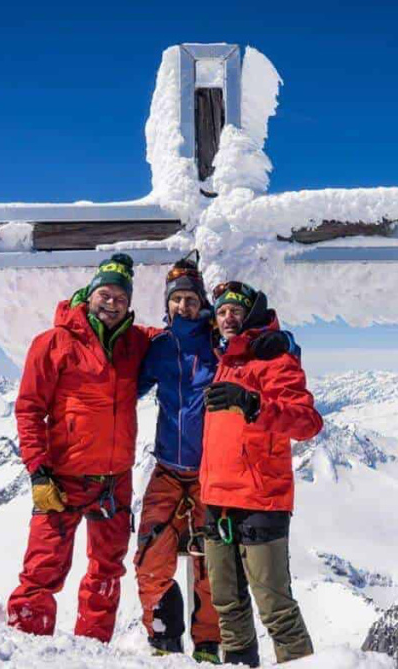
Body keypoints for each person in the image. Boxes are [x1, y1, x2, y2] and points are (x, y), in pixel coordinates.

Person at [134, 253, 297, 663]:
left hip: (210, 475)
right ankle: (163, 635)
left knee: (210, 567)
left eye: (191, 299)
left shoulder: (217, 345)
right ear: (167, 304)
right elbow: (126, 375)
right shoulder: (158, 346)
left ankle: (208, 645)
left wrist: (287, 341)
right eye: (176, 300)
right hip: (167, 468)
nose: (183, 306)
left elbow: (255, 346)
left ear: (201, 304)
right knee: (150, 552)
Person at [6, 253, 160, 642]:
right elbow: (29, 409)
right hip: (62, 476)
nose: (112, 303)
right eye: (105, 294)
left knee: (107, 571)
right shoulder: (53, 342)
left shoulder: (135, 342)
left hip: (115, 479)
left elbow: (178, 339)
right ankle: (26, 648)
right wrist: (38, 472)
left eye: (120, 298)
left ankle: (92, 651)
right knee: (42, 570)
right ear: (89, 295)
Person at [200, 282, 323, 666]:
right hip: (216, 498)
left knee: (276, 611)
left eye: (236, 311)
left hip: (261, 499)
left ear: (251, 315)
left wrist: (254, 404)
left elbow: (307, 422)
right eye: (221, 312)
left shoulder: (275, 360)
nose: (228, 318)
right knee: (227, 606)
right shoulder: (223, 360)